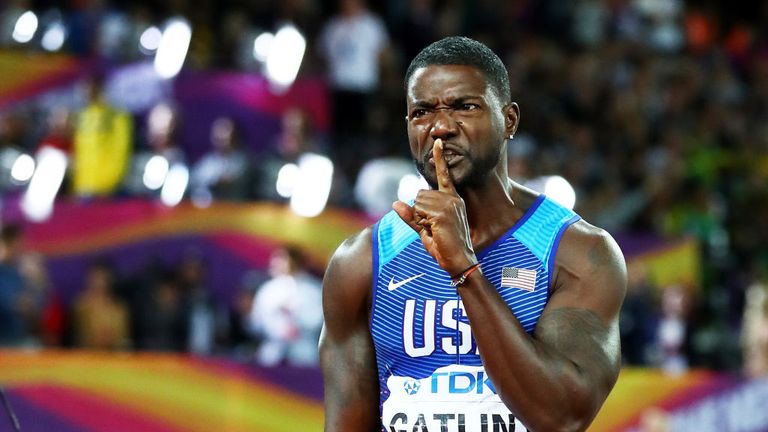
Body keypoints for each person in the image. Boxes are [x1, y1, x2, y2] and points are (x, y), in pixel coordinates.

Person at [319, 36, 627, 432]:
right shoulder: (361, 261)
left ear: (509, 121)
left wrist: (463, 266)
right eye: (422, 112)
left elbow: (561, 416)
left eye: (465, 107)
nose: (441, 128)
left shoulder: (578, 253)